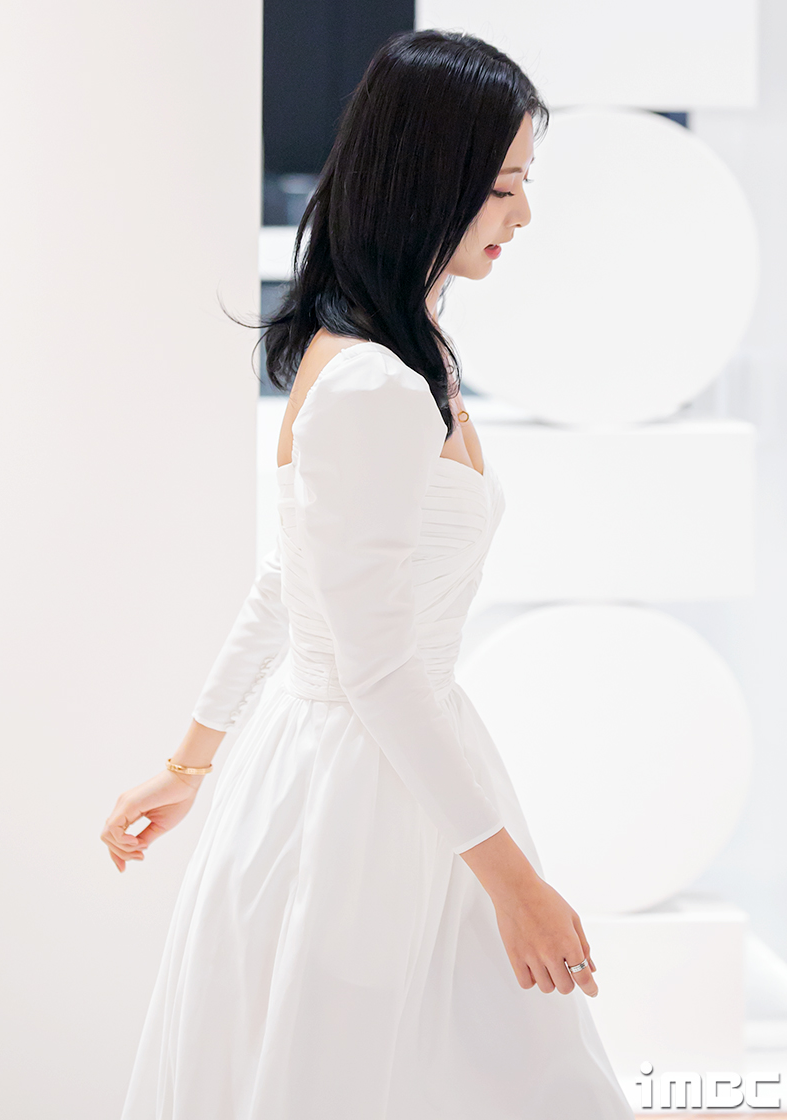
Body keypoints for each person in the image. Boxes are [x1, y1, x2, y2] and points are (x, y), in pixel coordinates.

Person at [104, 29, 635, 1120]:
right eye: (502, 188)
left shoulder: (386, 358)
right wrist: (515, 885)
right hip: (367, 800)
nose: (522, 217)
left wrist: (190, 761)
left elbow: (284, 582)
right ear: (424, 182)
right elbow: (375, 664)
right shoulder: (374, 386)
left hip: (379, 777)